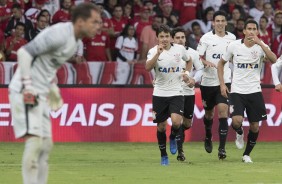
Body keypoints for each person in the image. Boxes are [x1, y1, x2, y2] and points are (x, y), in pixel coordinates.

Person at [8, 3, 101, 183]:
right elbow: (24, 54)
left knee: (46, 145)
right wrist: (28, 87)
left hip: (41, 91)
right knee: (35, 143)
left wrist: (52, 87)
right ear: (80, 21)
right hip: (24, 89)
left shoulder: (76, 42)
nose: (99, 26)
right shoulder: (59, 34)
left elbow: (46, 64)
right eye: (95, 22)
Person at [217, 20, 277, 163]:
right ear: (243, 31)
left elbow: (274, 59)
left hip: (255, 91)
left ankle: (246, 154)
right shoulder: (234, 46)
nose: (251, 31)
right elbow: (221, 63)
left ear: (257, 31)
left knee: (255, 126)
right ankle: (239, 132)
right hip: (237, 91)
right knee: (237, 121)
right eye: (248, 29)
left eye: (254, 29)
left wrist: (261, 43)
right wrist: (222, 84)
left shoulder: (261, 47)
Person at [145, 24, 191, 165]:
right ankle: (163, 155)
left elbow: (189, 60)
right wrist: (158, 54)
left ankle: (173, 136)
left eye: (166, 36)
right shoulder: (153, 51)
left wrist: (186, 73)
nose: (164, 39)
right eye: (161, 37)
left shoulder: (180, 49)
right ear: (157, 38)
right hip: (159, 93)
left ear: (171, 38)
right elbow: (147, 67)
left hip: (177, 91)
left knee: (177, 122)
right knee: (161, 127)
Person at [197, 11, 236, 159]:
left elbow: (234, 58)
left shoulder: (231, 38)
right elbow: (197, 57)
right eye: (217, 21)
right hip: (207, 82)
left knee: (223, 112)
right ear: (213, 23)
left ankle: (222, 149)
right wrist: (205, 61)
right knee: (209, 114)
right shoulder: (206, 38)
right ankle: (208, 135)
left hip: (224, 80)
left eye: (222, 20)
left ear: (226, 23)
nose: (220, 23)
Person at [172, 27, 204, 161]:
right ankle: (180, 151)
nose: (180, 40)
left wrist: (193, 79)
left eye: (182, 37)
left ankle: (175, 136)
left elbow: (201, 69)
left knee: (187, 124)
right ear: (173, 39)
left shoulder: (193, 53)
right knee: (177, 121)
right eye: (177, 38)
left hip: (188, 92)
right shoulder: (168, 53)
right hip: (173, 92)